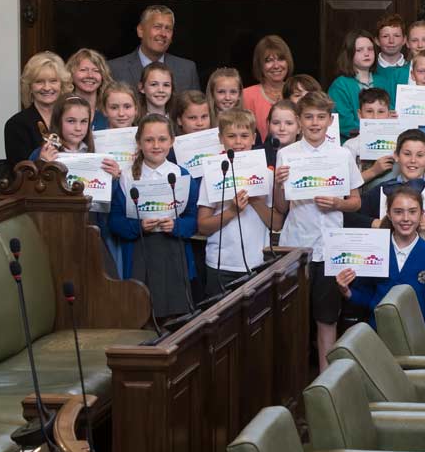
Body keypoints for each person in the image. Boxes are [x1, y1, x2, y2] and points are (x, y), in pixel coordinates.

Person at [272, 90, 363, 371]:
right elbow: (281, 207)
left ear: (329, 121)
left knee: (327, 320)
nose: (314, 123)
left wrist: (338, 202)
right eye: (308, 117)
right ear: (299, 121)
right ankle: (294, 386)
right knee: (294, 322)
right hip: (296, 246)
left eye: (320, 117)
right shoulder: (286, 154)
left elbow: (356, 202)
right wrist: (277, 183)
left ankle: (327, 384)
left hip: (330, 249)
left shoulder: (342, 154)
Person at [109, 113, 200, 319]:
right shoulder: (125, 177)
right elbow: (114, 221)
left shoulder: (183, 175)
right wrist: (139, 226)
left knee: (176, 315)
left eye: (162, 139)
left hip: (174, 253)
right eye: (149, 140)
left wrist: (176, 226)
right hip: (140, 252)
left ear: (172, 141)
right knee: (143, 315)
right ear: (139, 143)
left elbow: (194, 219)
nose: (156, 145)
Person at [336, 186, 425, 330]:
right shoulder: (375, 251)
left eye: (412, 212)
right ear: (388, 214)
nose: (406, 218)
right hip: (378, 330)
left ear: (421, 214)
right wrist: (347, 291)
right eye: (398, 212)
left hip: (417, 336)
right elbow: (368, 297)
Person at [38, 94, 124, 272]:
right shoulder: (44, 153)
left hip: (93, 228)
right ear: (58, 121)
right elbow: (35, 194)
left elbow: (109, 202)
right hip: (58, 229)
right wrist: (43, 166)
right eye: (71, 121)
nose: (78, 128)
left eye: (84, 122)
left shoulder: (97, 153)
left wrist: (114, 178)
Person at [196, 109, 273, 295]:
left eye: (244, 136)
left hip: (256, 262)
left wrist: (255, 200)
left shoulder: (267, 174)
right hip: (220, 263)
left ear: (254, 138)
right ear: (221, 138)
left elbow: (276, 222)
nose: (238, 142)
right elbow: (203, 226)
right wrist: (232, 211)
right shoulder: (212, 173)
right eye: (231, 136)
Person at [107, 5, 201, 94]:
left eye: (168, 29)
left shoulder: (187, 70)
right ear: (141, 30)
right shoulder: (114, 69)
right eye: (157, 27)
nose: (163, 34)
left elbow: (196, 109)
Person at [5, 51, 71, 161]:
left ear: (62, 85)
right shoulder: (16, 124)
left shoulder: (73, 118)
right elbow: (18, 170)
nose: (47, 87)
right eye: (39, 82)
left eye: (53, 81)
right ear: (30, 87)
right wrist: (40, 160)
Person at [242, 35, 293, 141]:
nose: (276, 65)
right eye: (269, 60)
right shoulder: (246, 96)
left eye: (281, 59)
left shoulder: (296, 92)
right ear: (260, 65)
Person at [345, 88, 397, 189]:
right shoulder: (351, 146)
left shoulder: (401, 142)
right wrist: (374, 171)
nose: (375, 117)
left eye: (381, 112)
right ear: (360, 114)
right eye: (369, 111)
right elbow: (345, 185)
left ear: (389, 114)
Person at [329, 29, 379, 133]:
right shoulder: (340, 85)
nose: (366, 54)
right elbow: (344, 123)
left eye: (370, 49)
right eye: (359, 50)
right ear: (349, 54)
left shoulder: (384, 80)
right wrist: (373, 132)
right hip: (351, 143)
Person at [66, 49, 111, 128]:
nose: (90, 75)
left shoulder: (109, 110)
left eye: (96, 71)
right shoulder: (62, 108)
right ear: (71, 74)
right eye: (83, 70)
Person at [370, 12, 409, 93]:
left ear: (404, 40)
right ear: (377, 41)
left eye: (396, 36)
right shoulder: (369, 69)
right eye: (385, 36)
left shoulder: (413, 69)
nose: (391, 41)